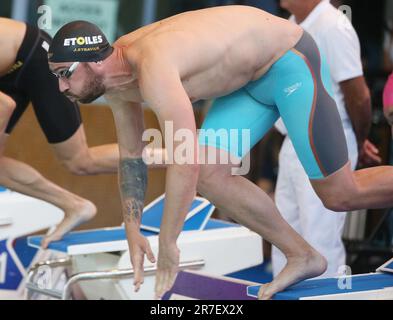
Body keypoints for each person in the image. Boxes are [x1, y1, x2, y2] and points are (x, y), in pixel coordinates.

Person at [48, 6, 393, 300]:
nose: (61, 87)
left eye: (64, 75)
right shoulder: (118, 84)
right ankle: (301, 255)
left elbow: (186, 161)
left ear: (92, 61)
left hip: (288, 61)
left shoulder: (153, 65)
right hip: (247, 85)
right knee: (213, 176)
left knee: (339, 194)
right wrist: (133, 227)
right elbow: (132, 159)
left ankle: (307, 245)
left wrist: (169, 243)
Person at [272, 0, 381, 278]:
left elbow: (359, 96)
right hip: (293, 142)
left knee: (319, 239)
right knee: (284, 235)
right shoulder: (290, 25)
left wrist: (356, 141)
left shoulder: (334, 25)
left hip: (327, 142)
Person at [0, 18, 119, 247]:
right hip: (7, 72)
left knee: (81, 161)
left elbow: (5, 106)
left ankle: (174, 157)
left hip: (35, 56)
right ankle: (75, 206)